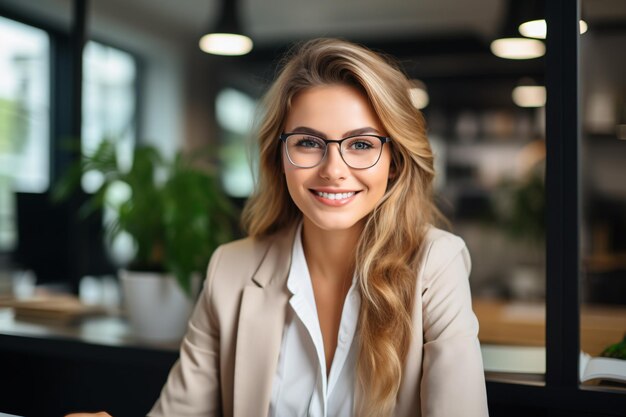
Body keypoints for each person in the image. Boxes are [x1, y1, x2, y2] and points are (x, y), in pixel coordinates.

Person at [67, 38, 488, 417]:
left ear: (394, 161)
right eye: (308, 142)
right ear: (278, 156)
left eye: (361, 144)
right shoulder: (230, 269)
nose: (333, 170)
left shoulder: (436, 264)